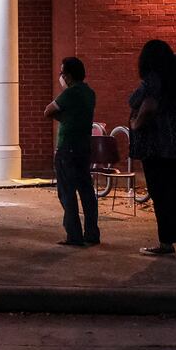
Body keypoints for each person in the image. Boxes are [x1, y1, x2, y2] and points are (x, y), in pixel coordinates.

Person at [130, 40, 176, 256]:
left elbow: (147, 105)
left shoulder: (152, 81)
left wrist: (136, 124)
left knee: (160, 194)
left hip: (155, 146)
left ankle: (166, 242)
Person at [46, 56, 98, 246]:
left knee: (67, 191)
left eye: (62, 73)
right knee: (86, 190)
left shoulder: (69, 94)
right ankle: (92, 233)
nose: (61, 77)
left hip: (67, 146)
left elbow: (48, 110)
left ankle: (74, 234)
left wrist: (64, 118)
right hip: (84, 146)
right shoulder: (89, 93)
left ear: (68, 75)